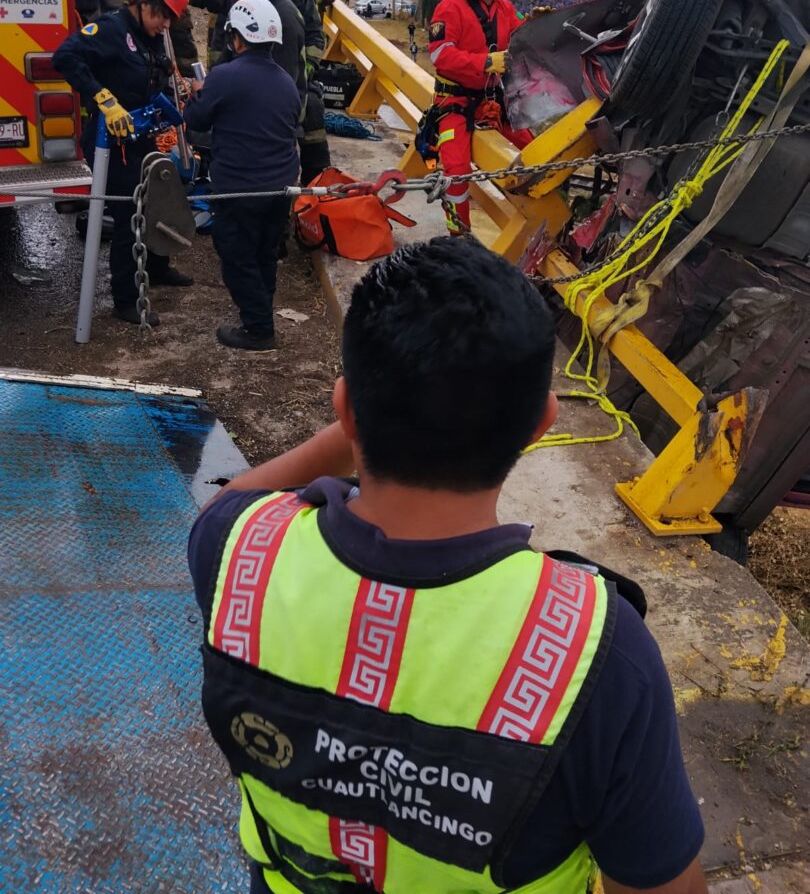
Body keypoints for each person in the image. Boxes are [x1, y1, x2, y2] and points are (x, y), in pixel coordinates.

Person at [189, 235, 708, 894]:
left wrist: (359, 423)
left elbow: (235, 501)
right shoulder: (598, 656)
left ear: (345, 409)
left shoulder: (236, 552)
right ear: (540, 425)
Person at [53, 0, 194, 325]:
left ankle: (158, 266)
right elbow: (66, 57)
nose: (166, 24)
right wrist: (103, 97)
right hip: (110, 142)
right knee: (130, 213)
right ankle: (126, 298)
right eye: (162, 15)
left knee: (160, 197)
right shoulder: (111, 29)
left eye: (170, 19)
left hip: (141, 132)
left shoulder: (149, 36)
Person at [184, 0, 300, 350]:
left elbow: (197, 122)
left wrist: (196, 97)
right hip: (280, 189)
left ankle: (259, 328)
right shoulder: (286, 82)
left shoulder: (224, 76)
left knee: (236, 255)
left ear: (236, 38)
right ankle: (261, 310)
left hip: (240, 189)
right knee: (264, 252)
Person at [427, 0, 535, 234]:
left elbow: (521, 38)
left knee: (535, 151)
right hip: (455, 105)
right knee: (457, 172)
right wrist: (487, 62)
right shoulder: (450, 8)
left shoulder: (505, 9)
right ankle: (458, 236)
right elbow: (440, 56)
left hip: (491, 104)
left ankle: (537, 226)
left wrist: (539, 26)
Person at [249, 0, 331, 182]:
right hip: (255, 75)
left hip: (293, 77)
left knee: (314, 110)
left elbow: (316, 34)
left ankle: (315, 186)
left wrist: (306, 70)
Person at [192, 0, 307, 116]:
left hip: (270, 120)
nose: (231, 0)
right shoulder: (253, 2)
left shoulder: (282, 18)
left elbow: (279, 93)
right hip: (252, 105)